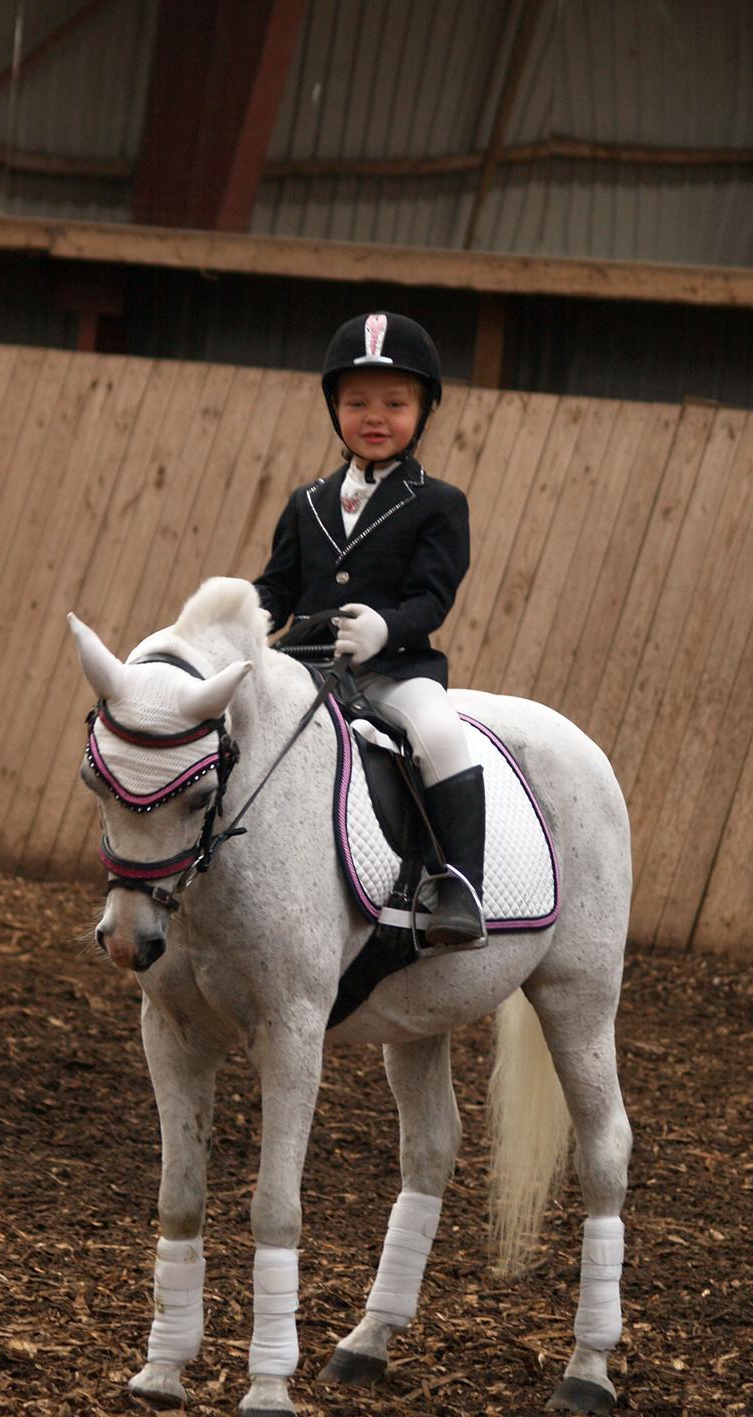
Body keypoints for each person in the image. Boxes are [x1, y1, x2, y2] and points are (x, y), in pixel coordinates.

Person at [253, 311, 484, 947]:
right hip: (305, 664)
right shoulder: (308, 502)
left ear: (422, 412)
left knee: (438, 733)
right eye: (356, 403)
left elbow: (432, 598)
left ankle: (462, 886)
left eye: (393, 403)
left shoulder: (440, 503)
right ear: (335, 409)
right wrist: (241, 614)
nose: (373, 417)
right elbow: (278, 588)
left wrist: (386, 628)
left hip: (394, 670)